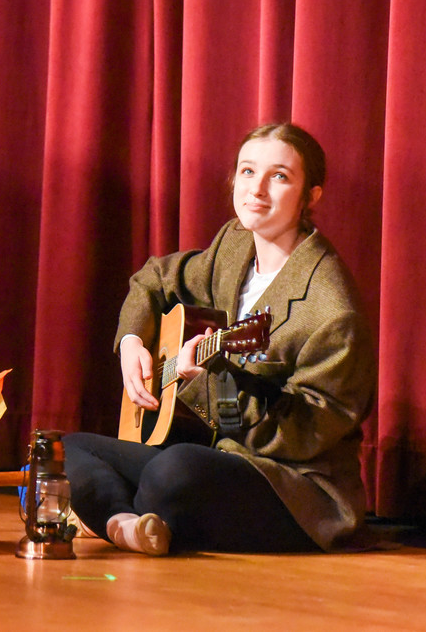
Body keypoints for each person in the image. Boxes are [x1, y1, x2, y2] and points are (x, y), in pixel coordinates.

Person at [63, 122, 377, 556]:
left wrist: (214, 383)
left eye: (279, 177)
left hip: (292, 486)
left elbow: (302, 437)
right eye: (248, 172)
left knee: (173, 472)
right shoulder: (234, 245)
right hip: (217, 457)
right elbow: (154, 278)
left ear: (312, 196)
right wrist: (133, 340)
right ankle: (127, 525)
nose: (257, 189)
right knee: (65, 449)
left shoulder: (331, 311)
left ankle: (111, 509)